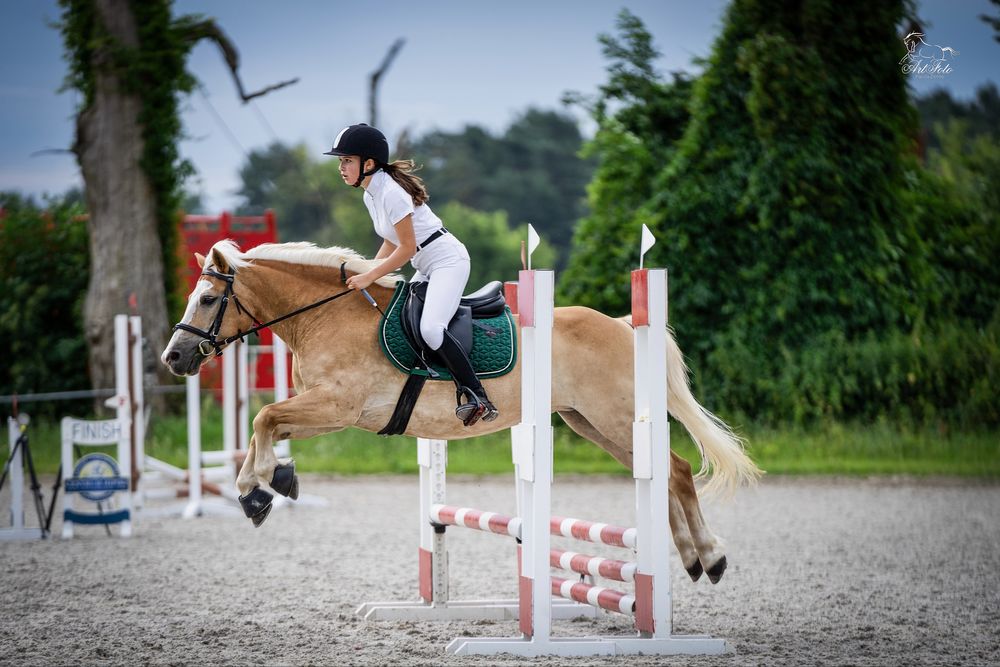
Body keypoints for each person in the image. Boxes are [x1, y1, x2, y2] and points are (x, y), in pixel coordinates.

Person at [323, 123, 498, 426]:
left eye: (347, 160)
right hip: (425, 265)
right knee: (399, 318)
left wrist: (369, 276)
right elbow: (390, 241)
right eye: (340, 161)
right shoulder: (371, 194)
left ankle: (477, 396)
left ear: (369, 163)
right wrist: (365, 270)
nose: (341, 167)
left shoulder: (391, 193)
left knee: (431, 329)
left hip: (447, 262)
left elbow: (405, 249)